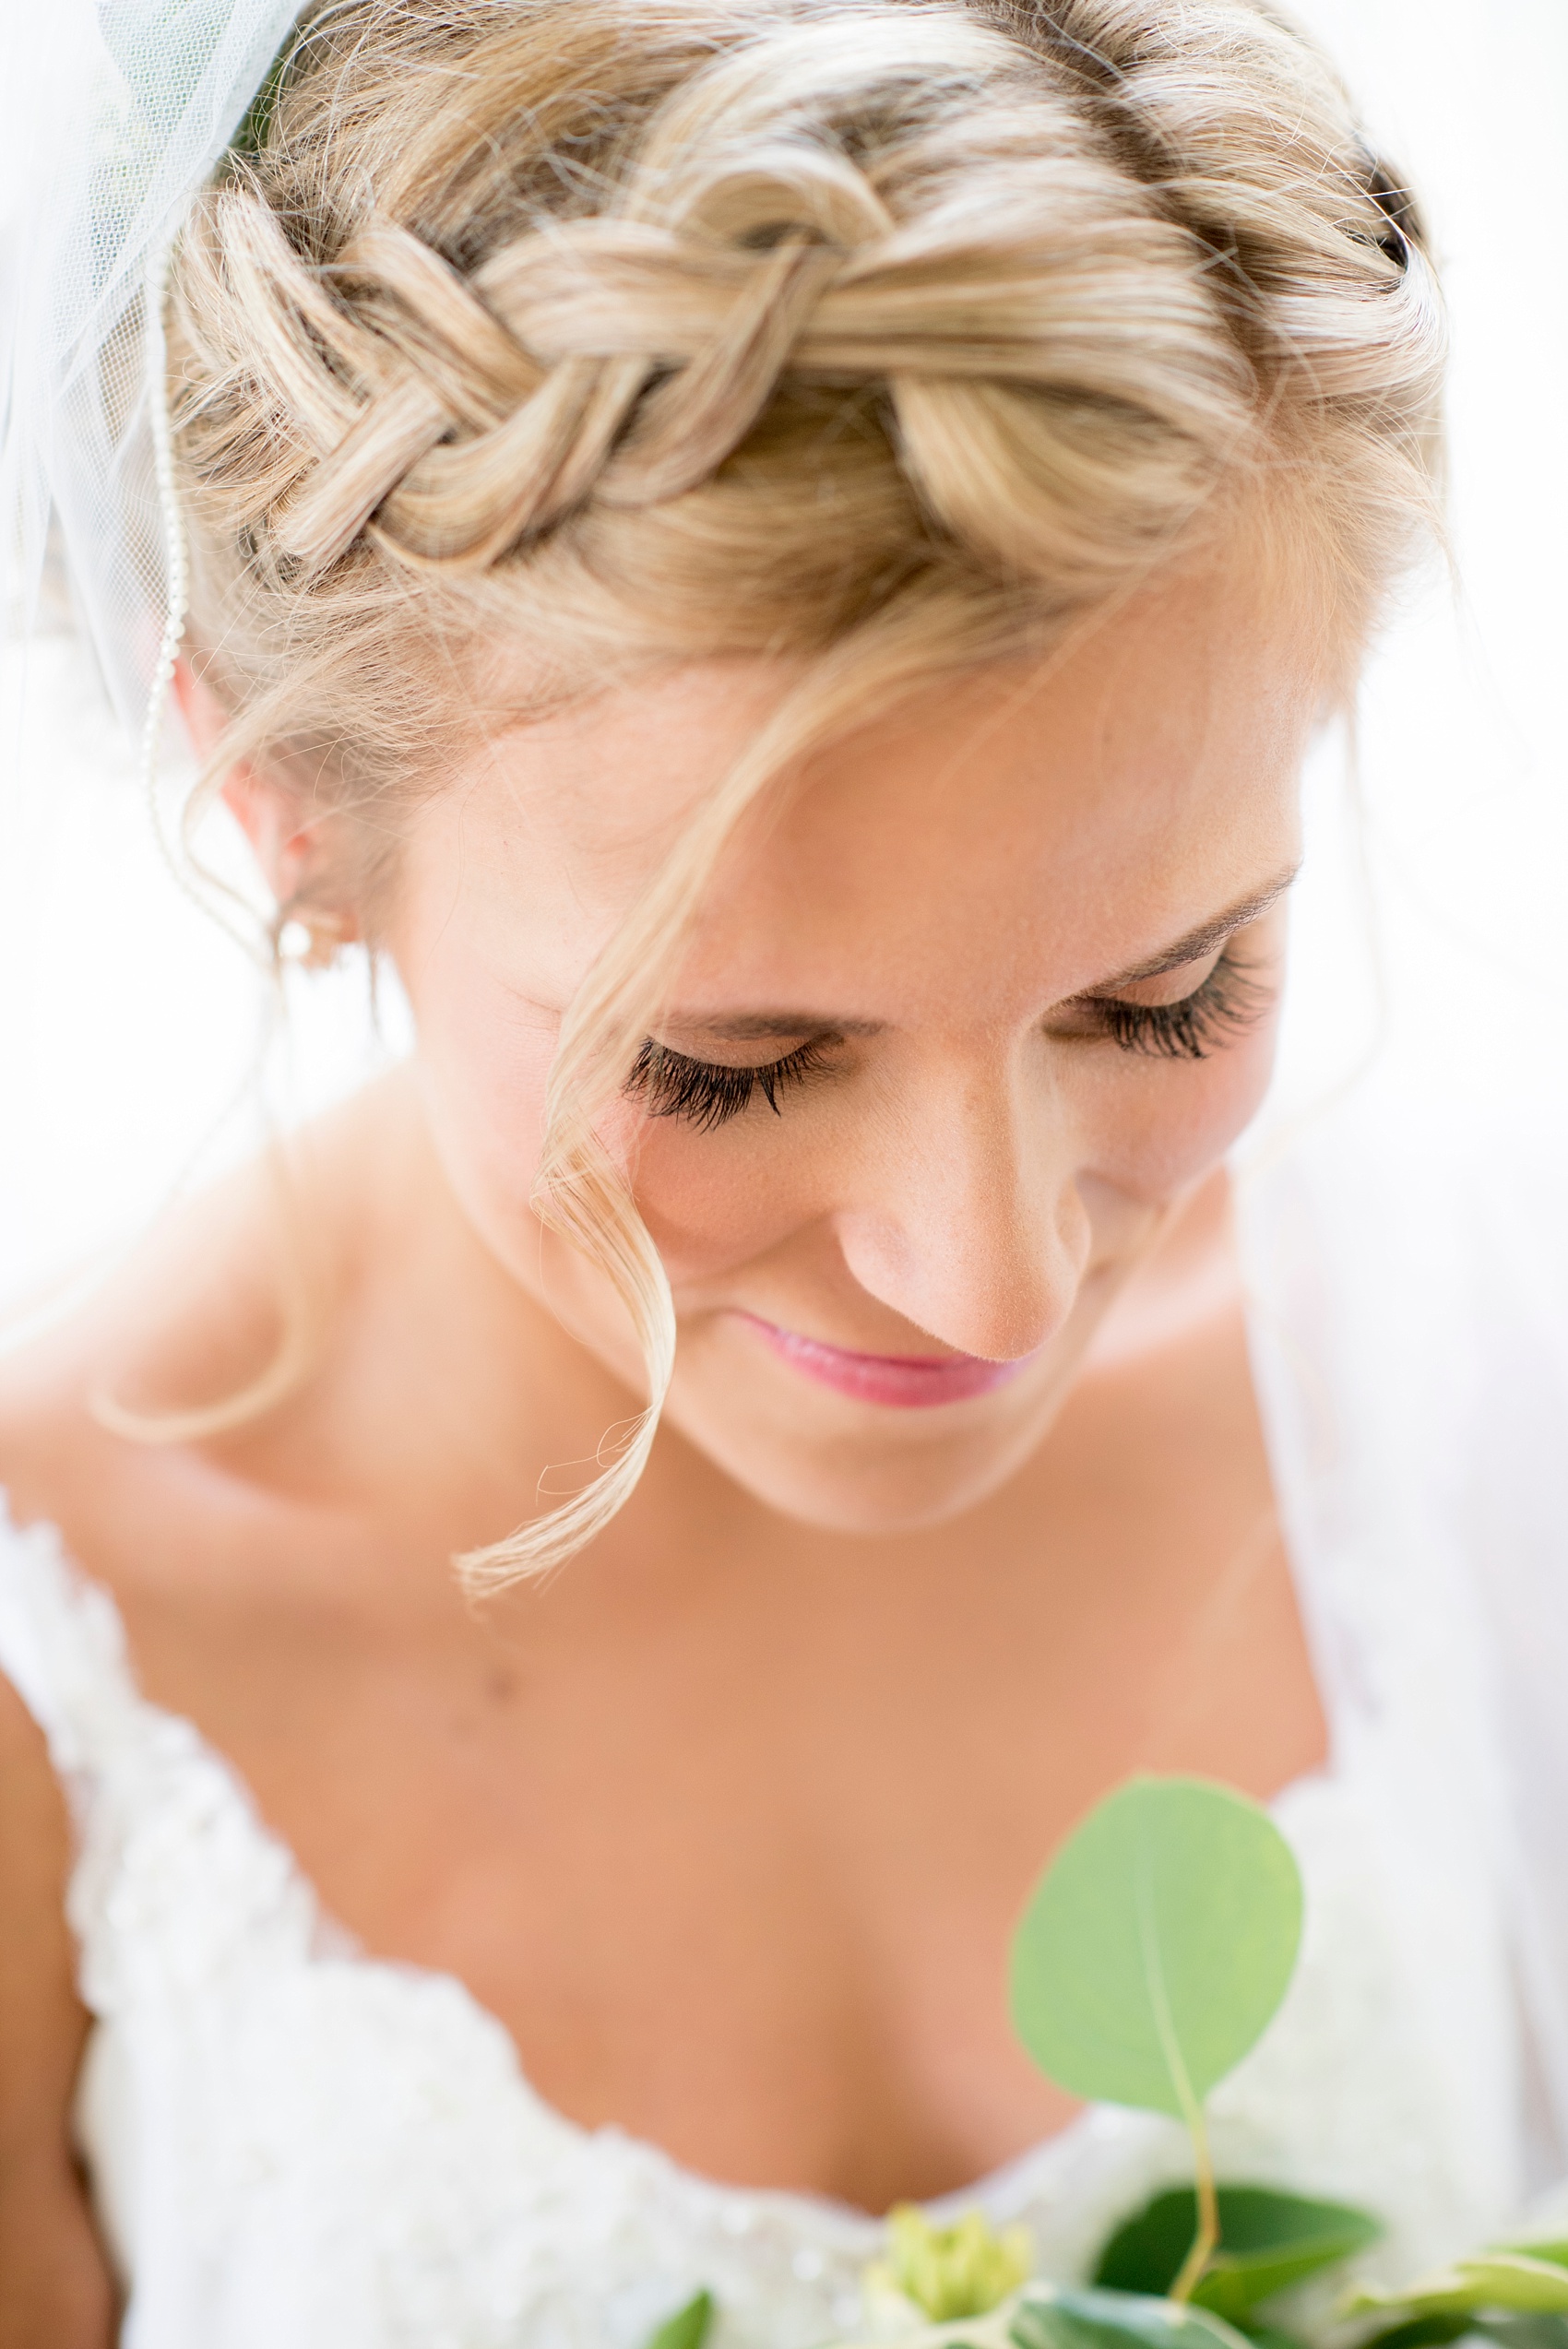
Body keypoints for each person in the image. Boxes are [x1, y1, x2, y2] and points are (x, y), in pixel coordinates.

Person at [1, 1, 1564, 2343]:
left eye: (1163, 998)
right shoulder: (56, 1705)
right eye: (730, 1062)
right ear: (286, 807)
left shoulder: (1481, 1389)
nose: (995, 1283)